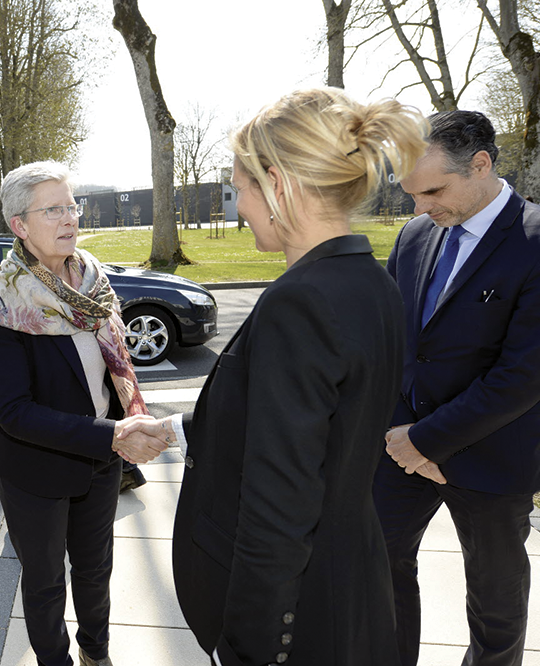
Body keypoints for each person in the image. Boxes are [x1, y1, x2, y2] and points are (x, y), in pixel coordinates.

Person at [122, 88, 427, 665]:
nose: (238, 205)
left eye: (239, 188)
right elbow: (317, 429)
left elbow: (280, 504)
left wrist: (251, 646)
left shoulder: (300, 301)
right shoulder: (372, 282)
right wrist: (175, 428)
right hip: (349, 585)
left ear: (277, 185)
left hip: (297, 618)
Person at [0, 161, 168, 666]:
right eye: (53, 210)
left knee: (95, 568)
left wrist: (124, 429)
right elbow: (14, 412)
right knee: (44, 584)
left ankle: (95, 654)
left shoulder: (93, 279)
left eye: (71, 206)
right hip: (36, 470)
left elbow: (113, 369)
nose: (69, 218)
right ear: (19, 224)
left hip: (102, 462)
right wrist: (112, 435)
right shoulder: (2, 300)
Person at [375, 110, 540, 666]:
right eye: (411, 194)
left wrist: (427, 441)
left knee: (495, 600)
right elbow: (396, 344)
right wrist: (403, 436)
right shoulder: (414, 235)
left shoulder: (535, 240)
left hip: (493, 454)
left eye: (433, 191)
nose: (419, 207)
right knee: (376, 566)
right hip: (400, 447)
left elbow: (523, 375)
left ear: (481, 164)